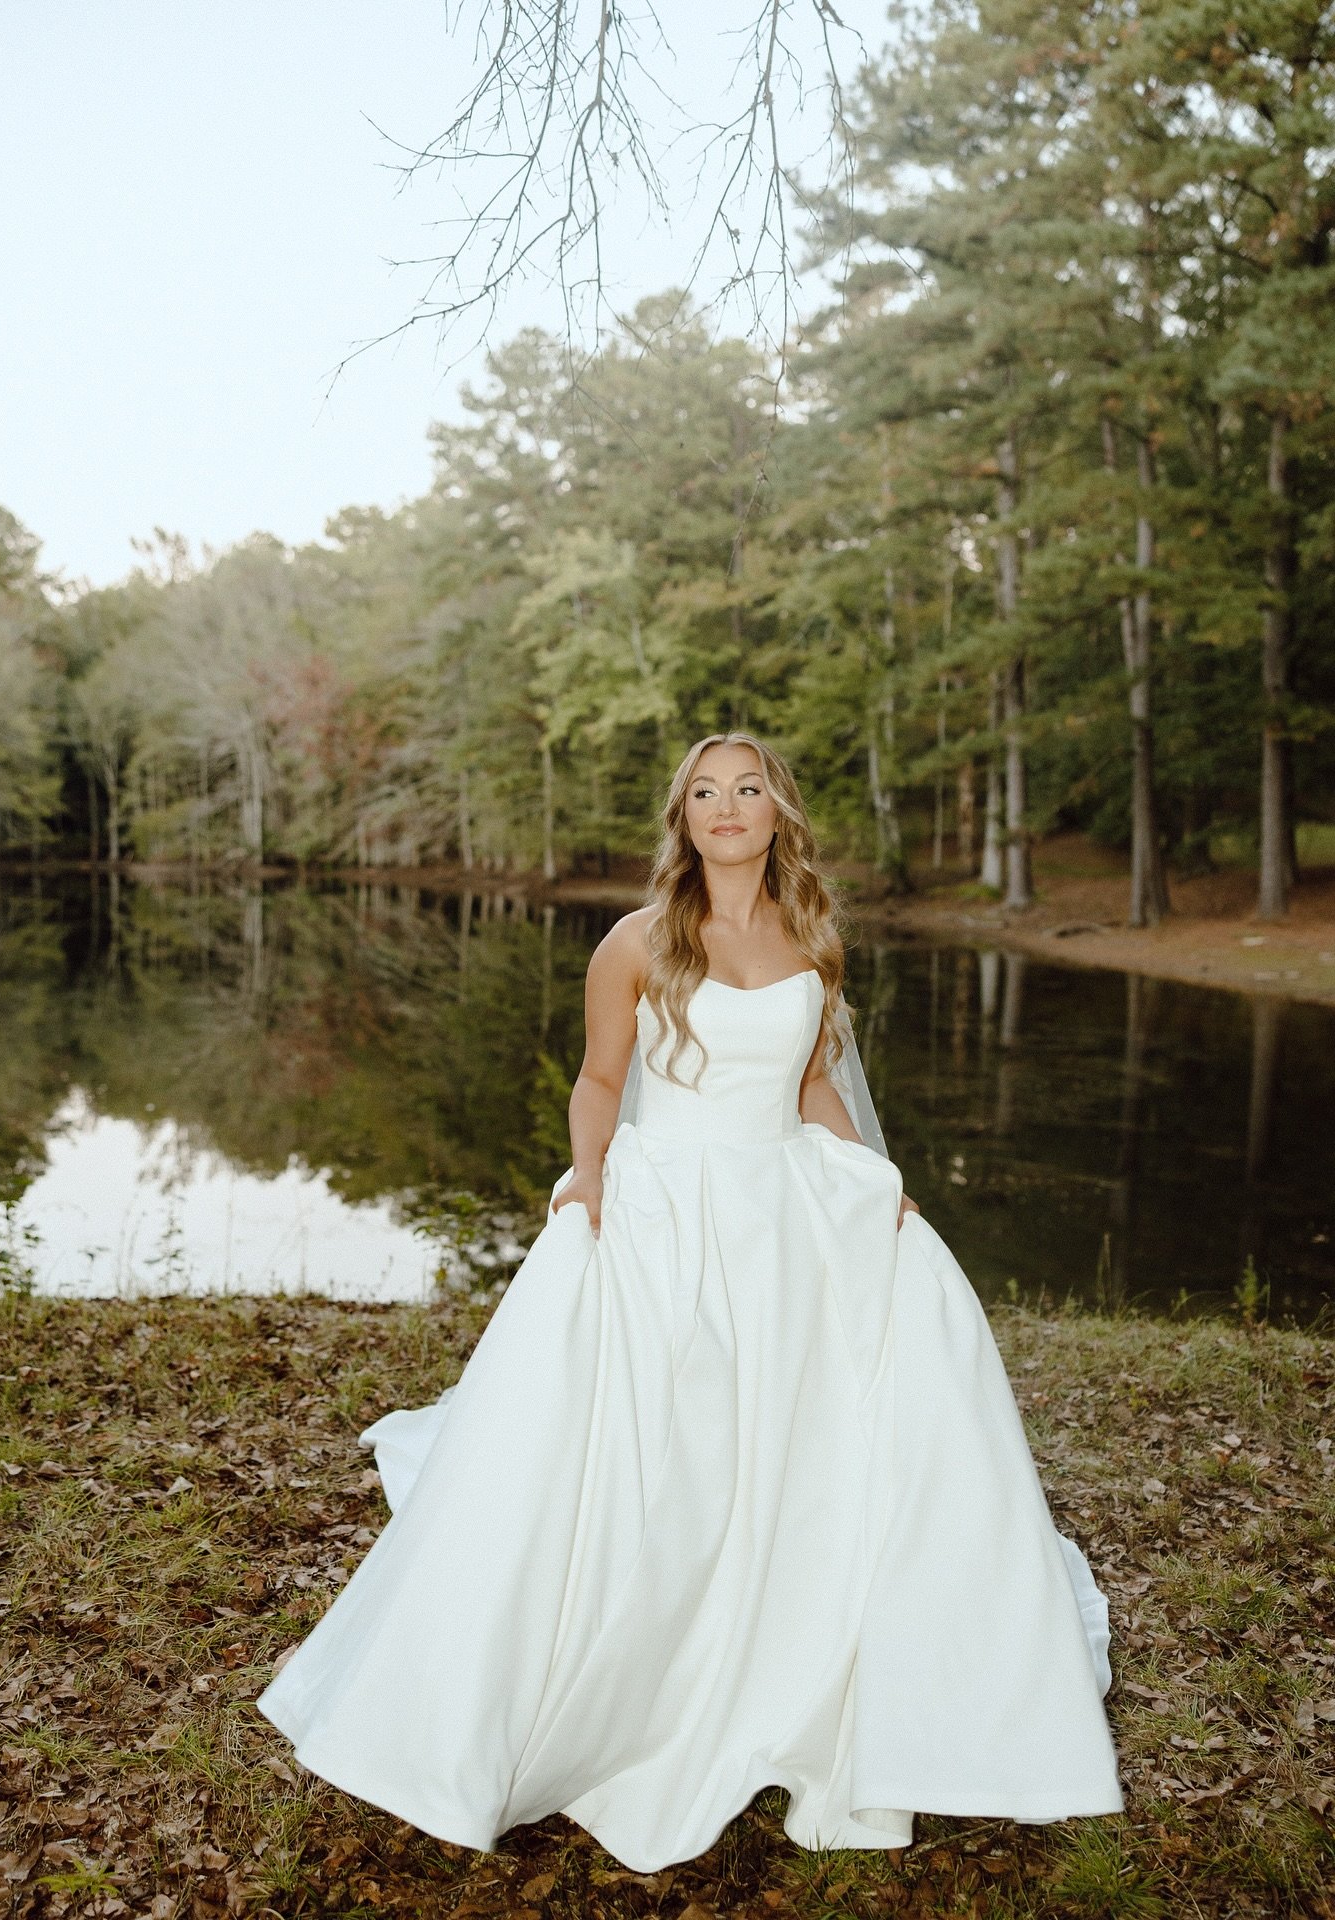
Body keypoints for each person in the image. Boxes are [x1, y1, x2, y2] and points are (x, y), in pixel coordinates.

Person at [257, 730, 1122, 1869]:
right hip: (669, 1200)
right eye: (706, 792)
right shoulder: (636, 942)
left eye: (747, 788)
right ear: (686, 818)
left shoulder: (812, 934)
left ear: (777, 813)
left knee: (846, 1404)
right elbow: (602, 1078)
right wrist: (594, 1175)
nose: (727, 807)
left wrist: (877, 1184)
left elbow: (812, 1081)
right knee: (666, 1435)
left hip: (789, 1206)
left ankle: (816, 1645)